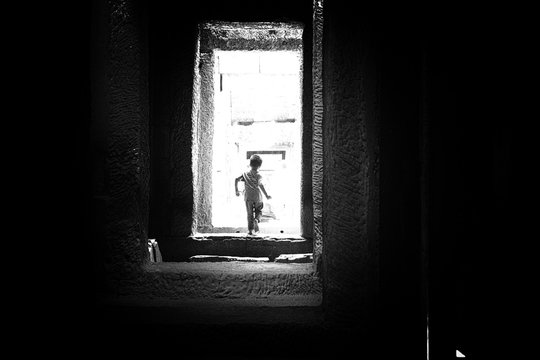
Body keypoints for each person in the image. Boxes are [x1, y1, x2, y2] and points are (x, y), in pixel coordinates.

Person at [235, 154, 272, 235]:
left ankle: (250, 230)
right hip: (257, 197)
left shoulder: (245, 174)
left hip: (248, 197)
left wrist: (236, 191)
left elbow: (236, 179)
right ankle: (257, 220)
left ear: (250, 164)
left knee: (249, 214)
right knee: (259, 210)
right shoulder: (259, 175)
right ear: (259, 166)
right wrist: (266, 195)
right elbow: (260, 185)